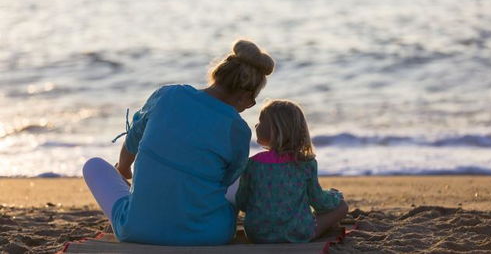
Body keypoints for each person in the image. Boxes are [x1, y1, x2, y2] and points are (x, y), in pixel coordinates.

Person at [82, 40, 274, 245]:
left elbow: (133, 138)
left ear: (217, 76)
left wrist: (123, 168)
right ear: (244, 95)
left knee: (93, 165)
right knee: (241, 177)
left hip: (136, 231)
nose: (249, 106)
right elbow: (228, 180)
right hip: (209, 234)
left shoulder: (168, 95)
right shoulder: (238, 129)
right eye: (252, 101)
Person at [236, 100, 349, 243]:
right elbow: (319, 202)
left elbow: (242, 202)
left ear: (274, 130)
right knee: (342, 206)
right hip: (298, 232)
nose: (256, 125)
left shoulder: (252, 164)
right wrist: (335, 196)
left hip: (258, 234)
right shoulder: (305, 163)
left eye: (260, 121)